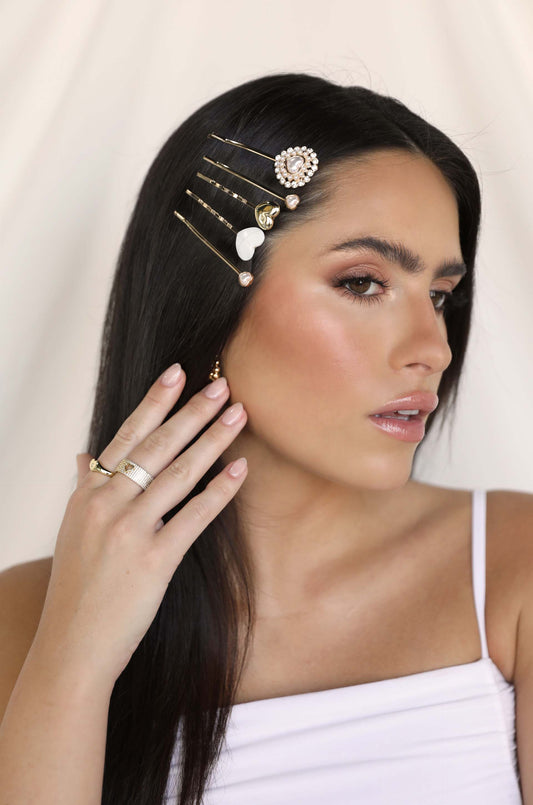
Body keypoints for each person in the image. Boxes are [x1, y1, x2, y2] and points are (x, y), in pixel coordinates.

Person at [0, 71, 531, 805]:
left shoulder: (512, 568)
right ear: (210, 300)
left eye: (439, 295)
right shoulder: (23, 619)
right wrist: (75, 661)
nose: (432, 347)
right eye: (362, 282)